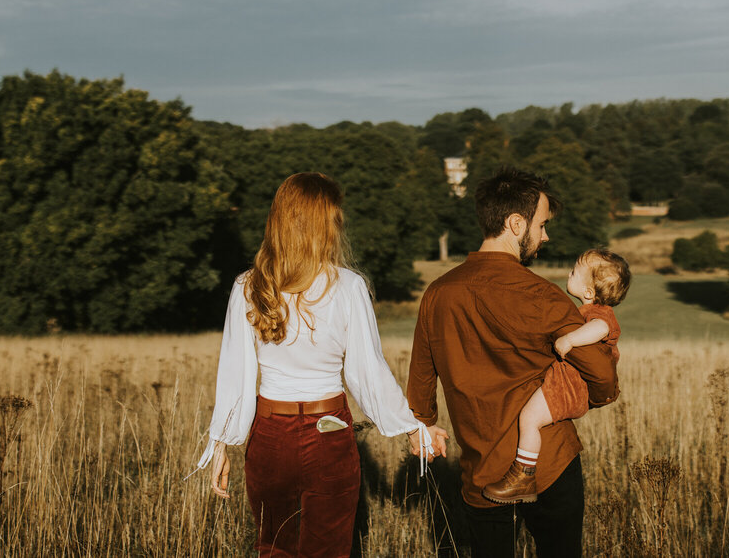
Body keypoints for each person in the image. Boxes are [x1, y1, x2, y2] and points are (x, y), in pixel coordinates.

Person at [201, 172, 448, 558]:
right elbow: (367, 373)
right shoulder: (348, 286)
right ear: (322, 224)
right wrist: (412, 428)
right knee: (329, 551)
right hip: (329, 432)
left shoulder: (249, 286)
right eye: (334, 217)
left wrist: (220, 445)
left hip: (269, 436)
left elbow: (235, 375)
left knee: (274, 547)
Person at [407, 168, 619, 558]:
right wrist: (600, 396)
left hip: (480, 464)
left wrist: (422, 423)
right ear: (515, 223)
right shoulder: (540, 293)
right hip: (551, 460)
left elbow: (421, 374)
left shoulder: (437, 294)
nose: (545, 236)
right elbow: (601, 371)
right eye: (541, 225)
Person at [482, 247, 630, 504]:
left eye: (574, 271)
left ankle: (523, 476)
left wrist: (570, 339)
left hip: (571, 387)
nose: (569, 273)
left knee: (529, 419)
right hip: (567, 382)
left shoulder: (599, 315)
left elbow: (601, 328)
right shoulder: (583, 311)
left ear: (588, 292)